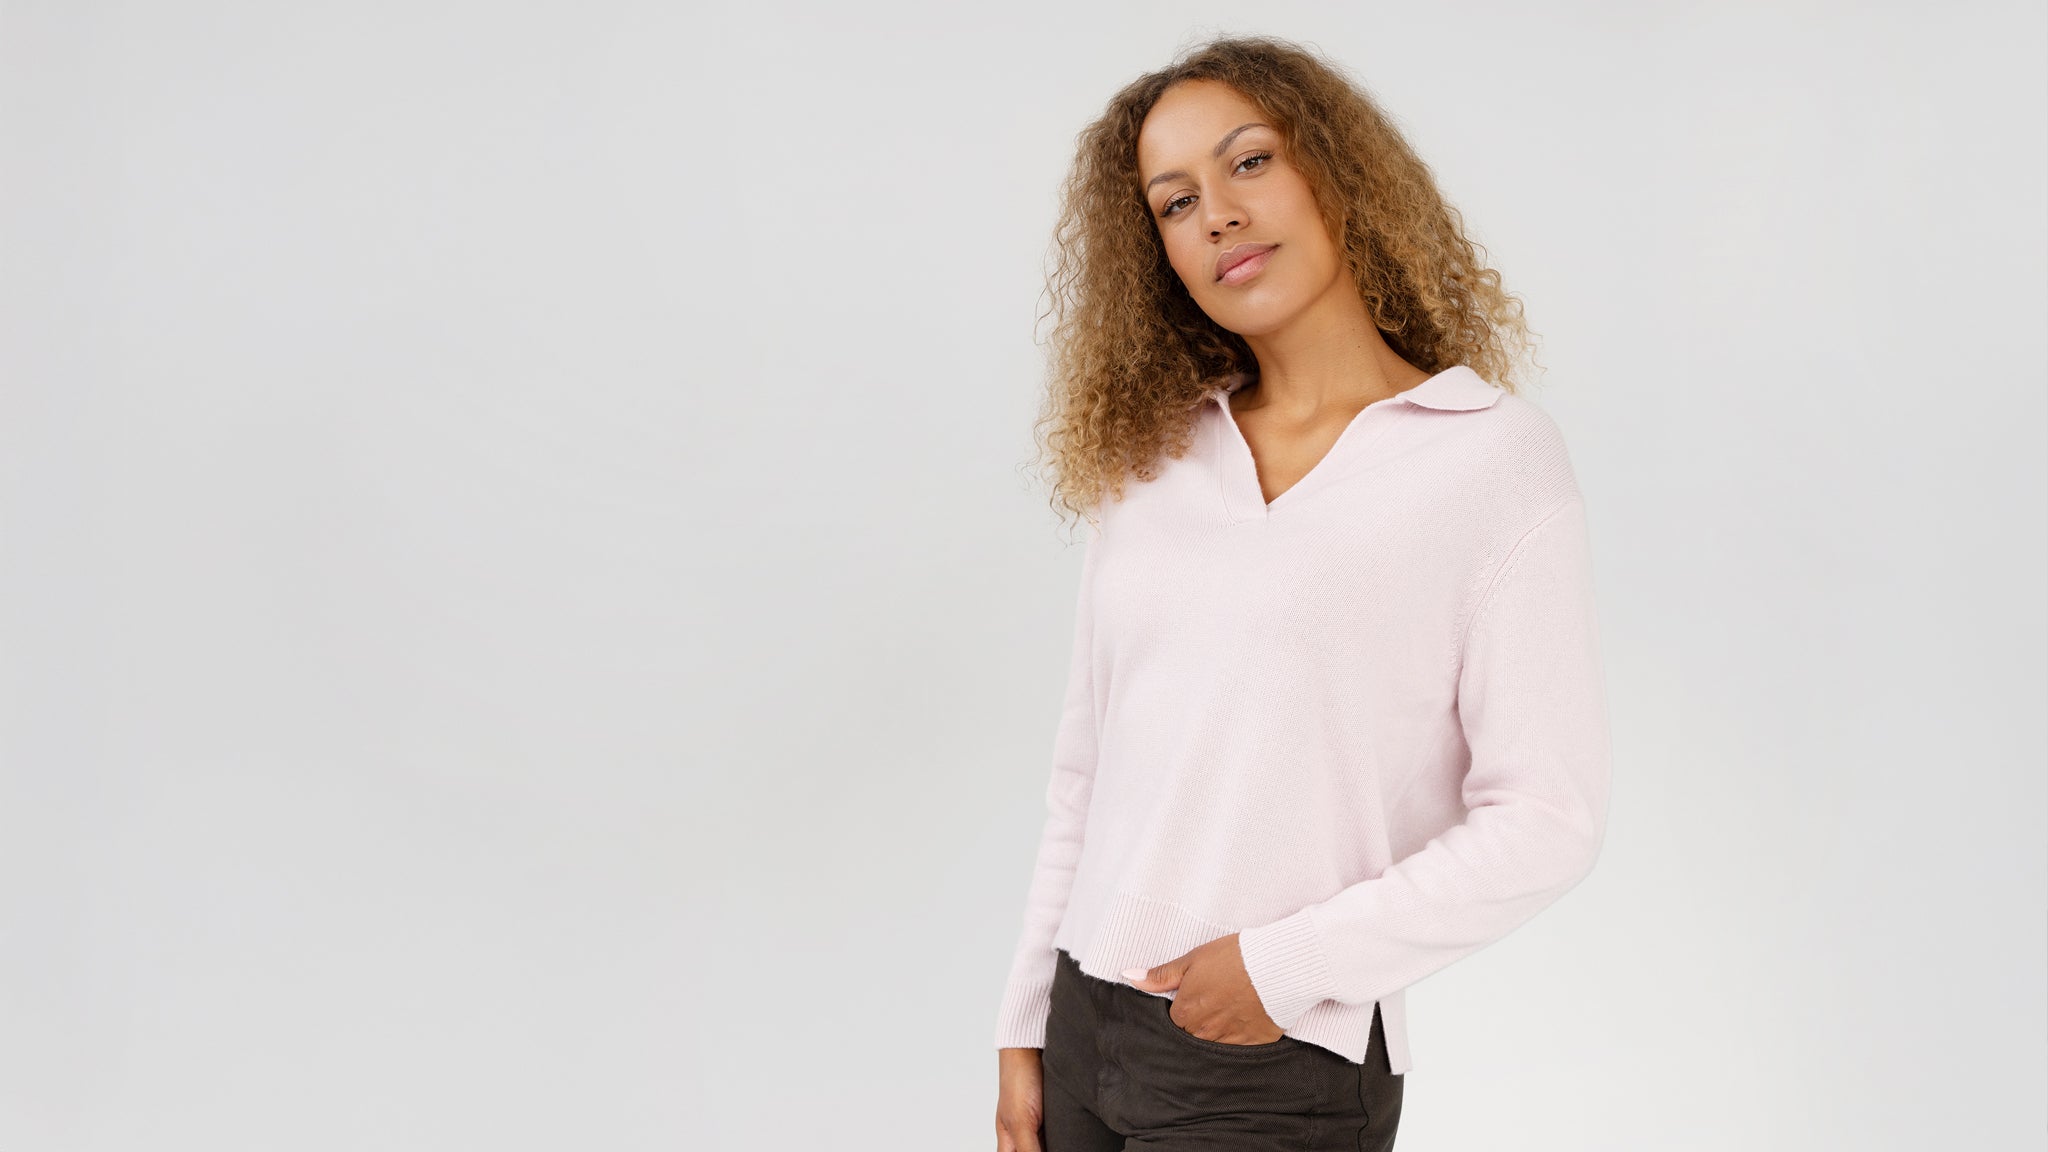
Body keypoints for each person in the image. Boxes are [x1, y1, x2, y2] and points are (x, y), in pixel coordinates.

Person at [990, 33, 1612, 1152]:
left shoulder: (1487, 461)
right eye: (1175, 203)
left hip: (1271, 1058)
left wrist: (1281, 967)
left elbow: (1546, 819)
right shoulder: (1154, 458)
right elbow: (1086, 777)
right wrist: (1024, 1019)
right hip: (1083, 1029)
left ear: (1335, 169)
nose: (1218, 216)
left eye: (1249, 162)